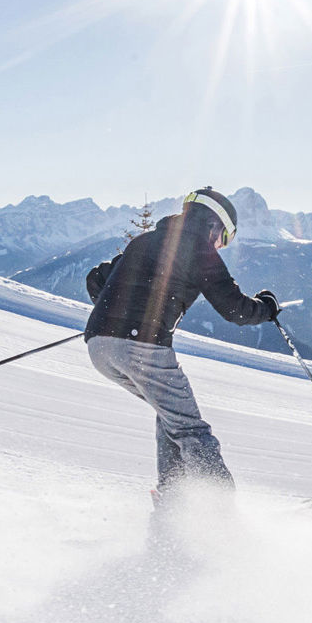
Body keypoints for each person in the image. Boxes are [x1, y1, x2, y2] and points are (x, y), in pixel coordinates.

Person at [84, 187, 279, 504]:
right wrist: (266, 308)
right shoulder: (199, 249)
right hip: (140, 344)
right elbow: (233, 309)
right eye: (224, 238)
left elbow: (97, 279)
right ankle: (220, 511)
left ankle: (173, 496)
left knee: (171, 414)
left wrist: (117, 306)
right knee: (190, 430)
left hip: (98, 346)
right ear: (214, 225)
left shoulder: (144, 242)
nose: (220, 246)